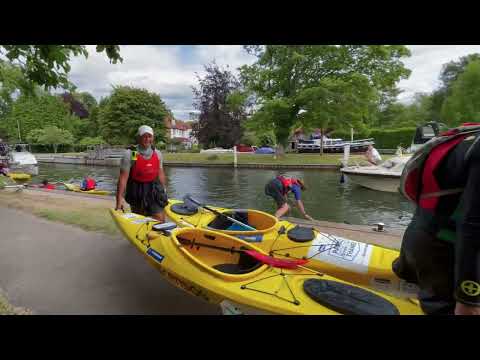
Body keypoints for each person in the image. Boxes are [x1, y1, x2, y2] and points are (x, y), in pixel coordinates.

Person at [394, 123, 480, 315]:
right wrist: (469, 299)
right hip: (442, 256)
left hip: (417, 242)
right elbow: (474, 226)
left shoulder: (472, 135)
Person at [115, 125, 168, 223]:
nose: (147, 139)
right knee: (140, 220)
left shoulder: (157, 153)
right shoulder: (132, 154)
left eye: (150, 136)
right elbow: (123, 179)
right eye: (144, 136)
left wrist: (164, 190)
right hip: (137, 190)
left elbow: (160, 173)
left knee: (160, 219)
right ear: (139, 138)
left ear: (153, 138)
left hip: (154, 189)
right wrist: (119, 200)